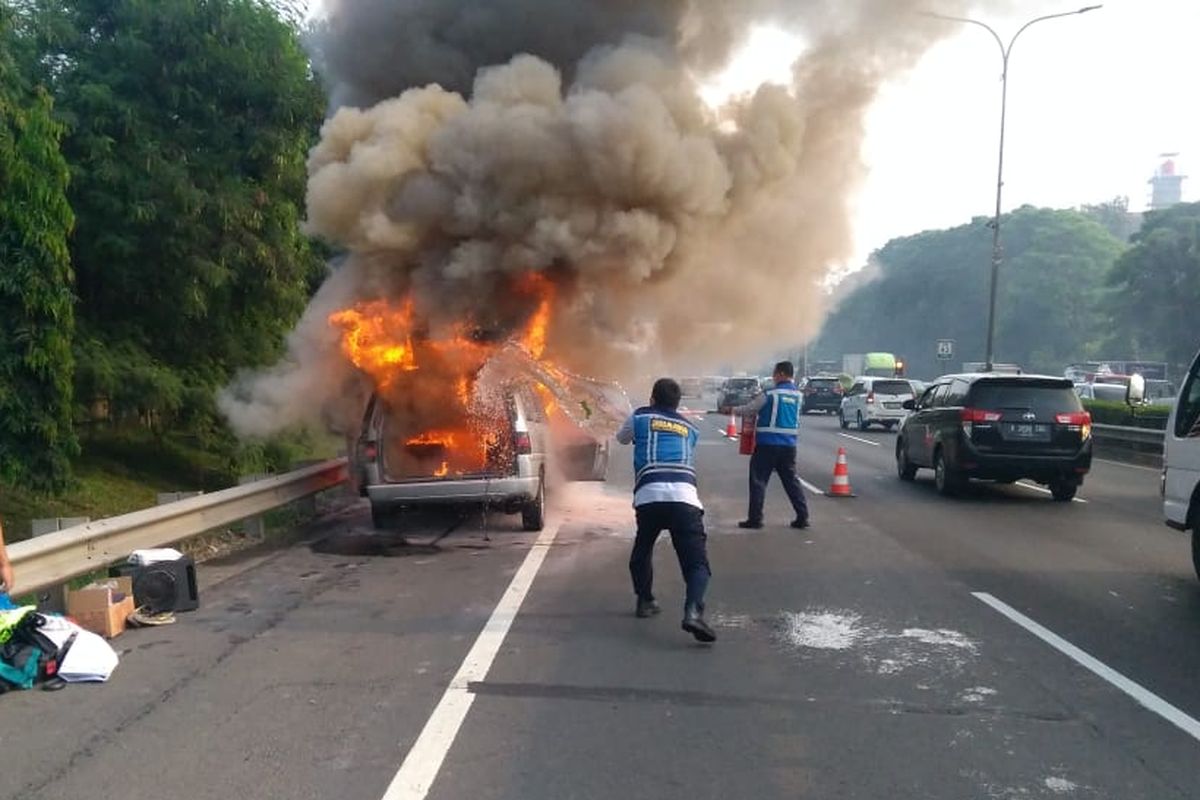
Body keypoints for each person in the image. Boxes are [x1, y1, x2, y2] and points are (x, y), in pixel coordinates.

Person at [616, 378, 715, 643]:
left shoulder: (640, 416)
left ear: (652, 398)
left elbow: (621, 439)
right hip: (685, 498)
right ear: (677, 403)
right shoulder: (690, 428)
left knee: (643, 548)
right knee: (696, 564)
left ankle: (645, 600)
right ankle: (693, 611)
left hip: (649, 495)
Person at [733, 360, 809, 530]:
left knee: (758, 481)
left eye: (775, 374)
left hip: (767, 445)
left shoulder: (769, 394)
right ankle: (803, 516)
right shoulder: (799, 396)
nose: (774, 377)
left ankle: (755, 519)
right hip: (789, 447)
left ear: (781, 374)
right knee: (791, 482)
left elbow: (750, 409)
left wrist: (731, 410)